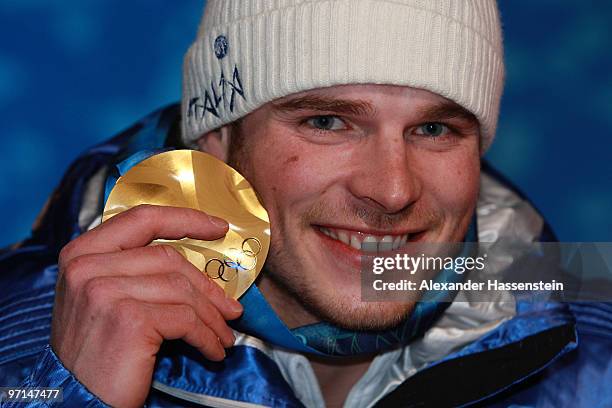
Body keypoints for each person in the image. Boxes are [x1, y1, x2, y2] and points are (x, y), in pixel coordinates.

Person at [1, 1, 611, 407]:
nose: (392, 190)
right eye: (327, 122)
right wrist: (68, 394)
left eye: (434, 130)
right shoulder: (18, 344)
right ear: (215, 137)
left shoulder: (594, 351)